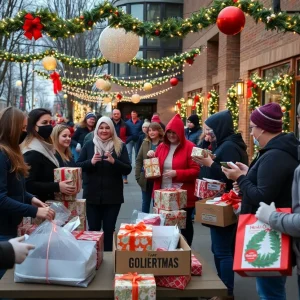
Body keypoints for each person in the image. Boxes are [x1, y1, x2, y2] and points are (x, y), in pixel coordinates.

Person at [222, 103, 299, 300]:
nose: (251, 132)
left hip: (270, 231)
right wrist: (247, 174)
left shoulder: (274, 155)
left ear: (263, 128)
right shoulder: (276, 151)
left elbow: (261, 196)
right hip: (272, 228)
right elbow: (269, 183)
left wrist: (239, 178)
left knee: (269, 292)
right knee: (269, 289)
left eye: (252, 127)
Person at [192, 110, 248, 300]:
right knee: (221, 248)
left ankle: (225, 291)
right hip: (223, 201)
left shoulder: (230, 146)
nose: (209, 134)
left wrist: (209, 162)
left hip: (226, 203)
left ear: (220, 128)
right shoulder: (224, 143)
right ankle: (222, 287)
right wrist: (209, 153)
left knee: (222, 249)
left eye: (211, 130)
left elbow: (227, 173)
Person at [0, 107, 55, 279]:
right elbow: (1, 198)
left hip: (10, 226)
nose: (26, 132)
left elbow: (16, 187)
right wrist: (35, 211)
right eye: (23, 128)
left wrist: (31, 199)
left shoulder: (12, 153)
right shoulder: (2, 155)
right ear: (12, 128)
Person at [76, 116, 132, 251]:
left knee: (108, 229)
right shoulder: (89, 145)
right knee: (94, 230)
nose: (104, 130)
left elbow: (128, 168)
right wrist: (90, 162)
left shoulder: (119, 146)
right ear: (97, 129)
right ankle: (94, 257)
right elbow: (77, 165)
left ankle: (107, 256)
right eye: (101, 127)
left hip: (113, 196)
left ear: (112, 129)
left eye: (107, 127)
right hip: (92, 195)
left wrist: (114, 162)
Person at [152, 114, 200, 246]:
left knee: (183, 225)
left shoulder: (190, 147)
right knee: (162, 224)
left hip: (182, 195)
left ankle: (184, 251)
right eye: (169, 132)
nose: (171, 135)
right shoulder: (161, 147)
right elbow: (154, 168)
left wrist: (177, 173)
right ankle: (166, 249)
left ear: (180, 132)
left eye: (174, 132)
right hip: (162, 193)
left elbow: (196, 170)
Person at [22, 108, 76, 202]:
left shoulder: (46, 147)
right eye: (44, 123)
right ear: (34, 126)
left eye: (50, 122)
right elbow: (28, 185)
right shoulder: (32, 151)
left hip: (49, 205)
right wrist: (57, 186)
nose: (48, 126)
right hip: (39, 207)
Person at [135, 122, 164, 213]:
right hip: (146, 178)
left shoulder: (164, 143)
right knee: (145, 202)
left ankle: (156, 223)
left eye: (154, 130)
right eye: (150, 130)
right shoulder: (145, 142)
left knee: (157, 203)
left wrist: (156, 156)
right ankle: (145, 224)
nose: (151, 132)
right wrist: (138, 176)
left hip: (160, 178)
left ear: (159, 131)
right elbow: (139, 160)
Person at [111, 109, 132, 184]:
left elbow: (130, 135)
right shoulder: (109, 124)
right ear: (112, 115)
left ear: (120, 114)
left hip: (121, 145)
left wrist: (125, 141)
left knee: (123, 160)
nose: (116, 115)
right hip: (111, 144)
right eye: (114, 114)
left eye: (117, 114)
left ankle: (124, 177)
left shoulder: (125, 124)